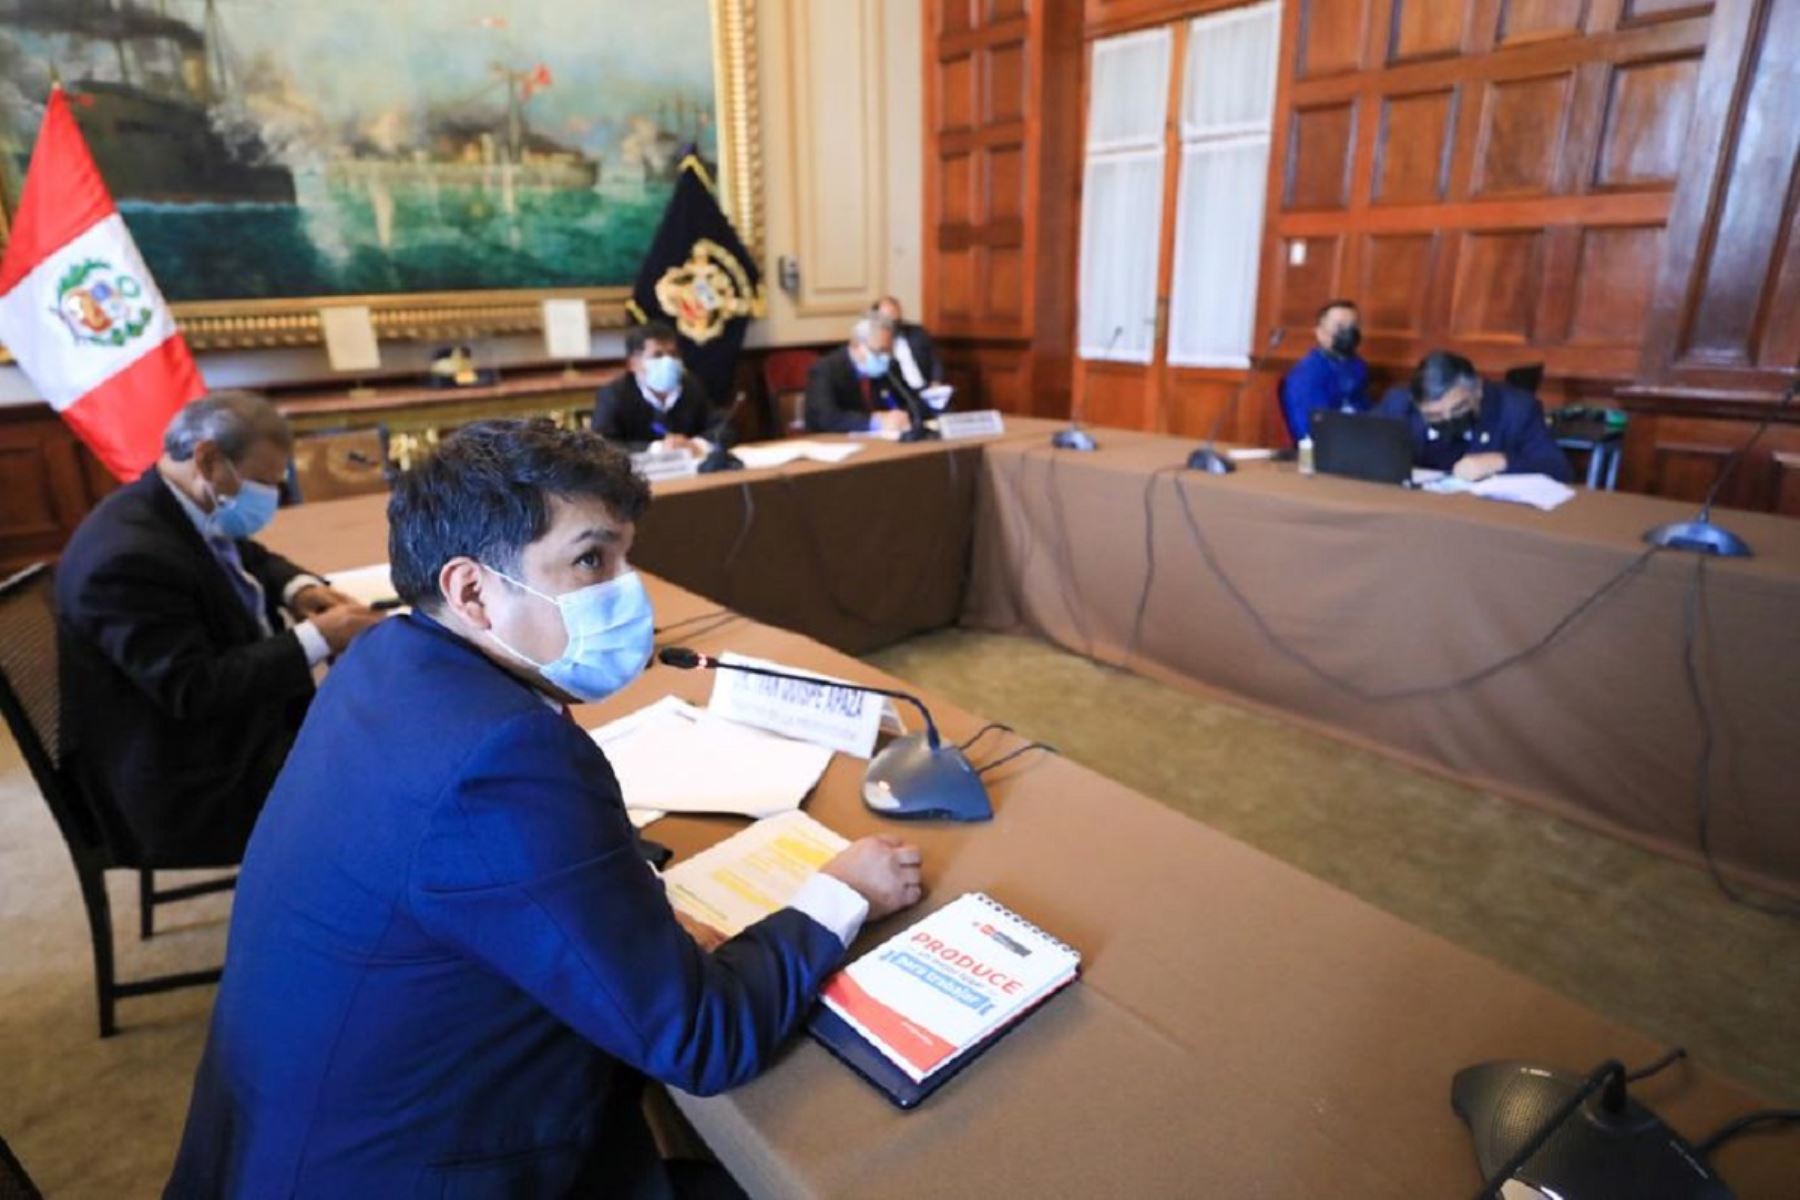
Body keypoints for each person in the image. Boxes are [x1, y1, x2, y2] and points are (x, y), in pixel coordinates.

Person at [167, 418, 924, 1198]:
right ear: (471, 591)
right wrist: (842, 895)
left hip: (281, 1146)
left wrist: (631, 902)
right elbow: (704, 1038)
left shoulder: (387, 658)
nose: (630, 591)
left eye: (625, 556)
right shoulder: (504, 758)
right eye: (591, 559)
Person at [54, 391, 381, 867]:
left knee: (377, 721)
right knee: (388, 764)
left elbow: (247, 554)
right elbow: (195, 689)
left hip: (224, 731)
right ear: (208, 459)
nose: (271, 498)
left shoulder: (172, 506)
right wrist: (320, 637)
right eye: (263, 483)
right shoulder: (125, 559)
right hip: (188, 783)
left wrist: (300, 590)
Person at [1372, 351, 1573, 483]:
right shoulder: (1398, 403)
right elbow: (1362, 444)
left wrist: (1500, 462)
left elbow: (1558, 468)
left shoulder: (1516, 409)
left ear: (1478, 389)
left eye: (1458, 408)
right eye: (1434, 415)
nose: (1447, 419)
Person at [593, 321, 718, 455]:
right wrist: (656, 448)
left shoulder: (691, 387)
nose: (668, 362)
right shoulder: (614, 394)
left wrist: (696, 444)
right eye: (657, 355)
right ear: (633, 364)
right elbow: (602, 443)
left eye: (673, 354)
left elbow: (721, 428)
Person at [804, 315, 916, 435]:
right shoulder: (825, 369)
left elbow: (911, 402)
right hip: (835, 441)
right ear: (856, 345)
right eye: (879, 351)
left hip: (885, 439)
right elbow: (827, 419)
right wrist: (876, 422)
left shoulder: (889, 366)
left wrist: (902, 416)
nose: (885, 357)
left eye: (889, 351)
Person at [1279, 298, 1369, 442]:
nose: (1348, 332)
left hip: (1356, 440)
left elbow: (1364, 411)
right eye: (1340, 326)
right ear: (1320, 333)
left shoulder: (1357, 366)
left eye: (1353, 326)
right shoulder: (1307, 374)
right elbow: (1311, 428)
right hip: (1324, 446)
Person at [872, 294, 942, 392]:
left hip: (926, 388)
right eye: (888, 315)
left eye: (895, 312)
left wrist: (936, 383)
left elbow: (934, 360)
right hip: (899, 393)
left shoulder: (918, 333)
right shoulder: (875, 342)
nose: (893, 319)